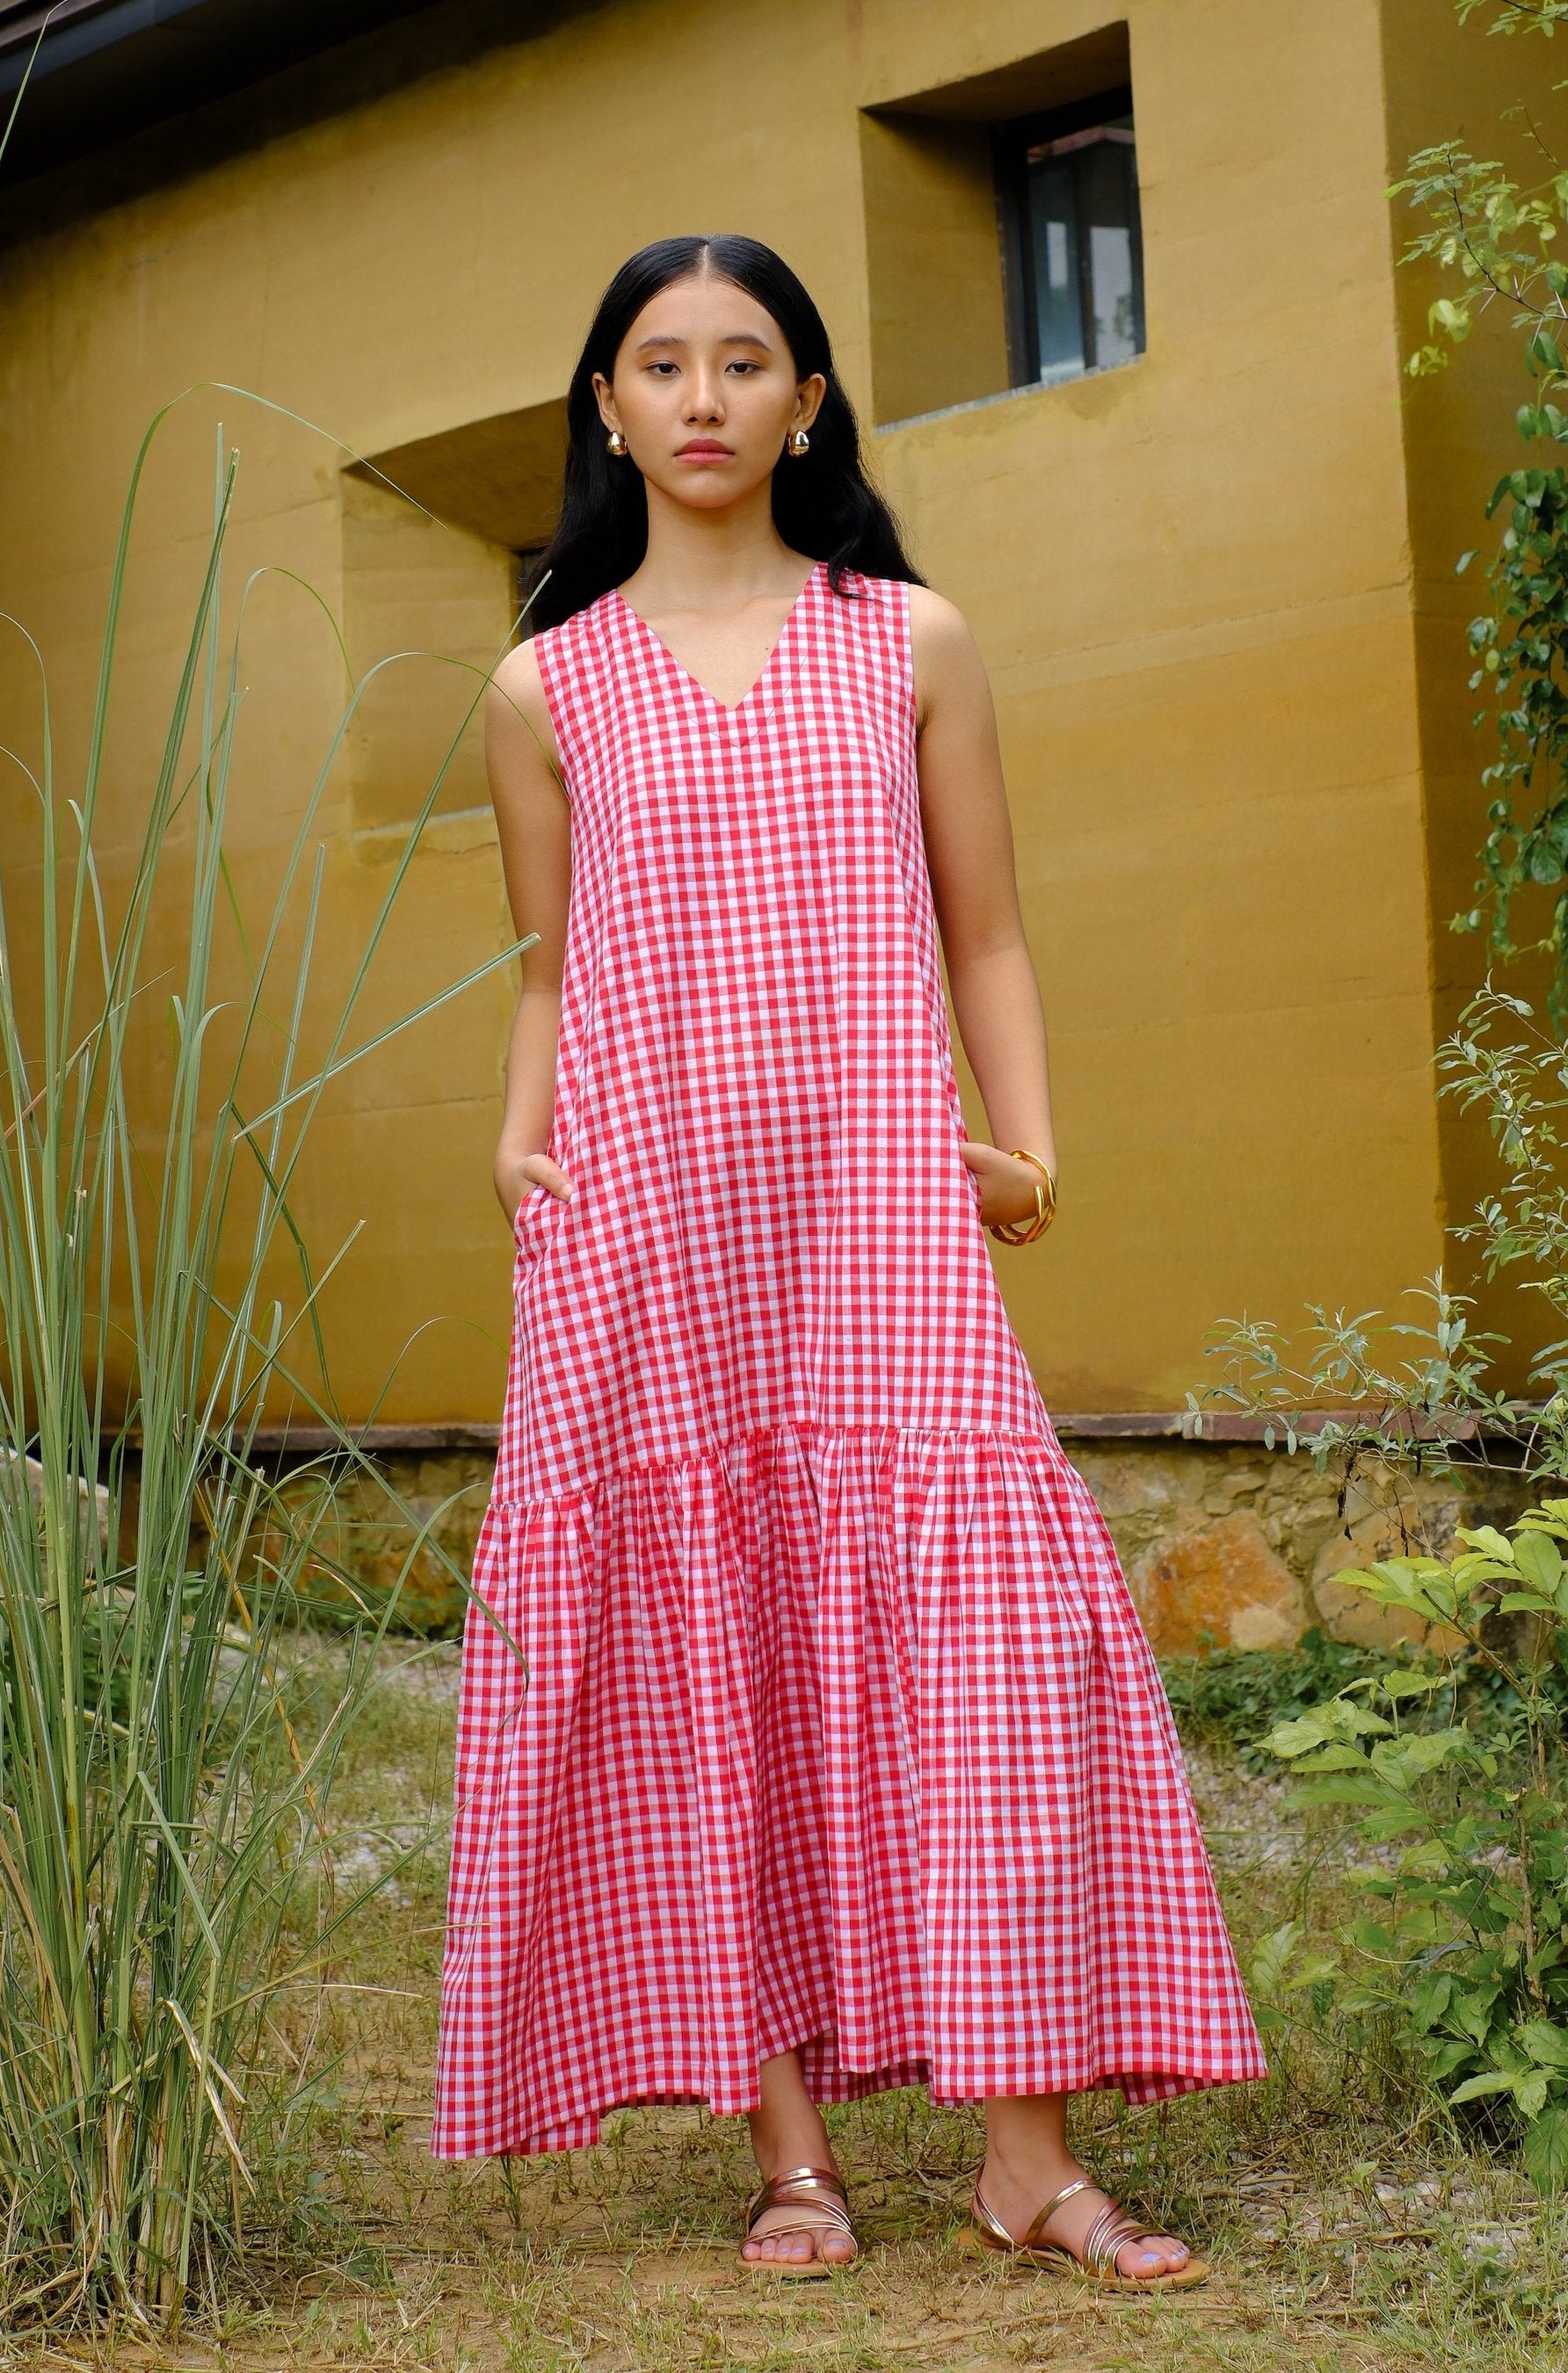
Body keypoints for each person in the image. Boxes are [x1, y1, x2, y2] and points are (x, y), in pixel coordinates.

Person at [432, 233, 1266, 2287]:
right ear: (603, 408)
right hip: (643, 1220)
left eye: (746, 362)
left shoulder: (911, 640)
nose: (703, 398)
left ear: (811, 401)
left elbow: (985, 926)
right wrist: (521, 1129)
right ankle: (792, 2149)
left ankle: (1023, 2149)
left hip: (878, 1203)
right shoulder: (544, 684)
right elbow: (558, 967)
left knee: (979, 1641)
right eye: (660, 363)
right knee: (717, 1647)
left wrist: (1032, 1125)